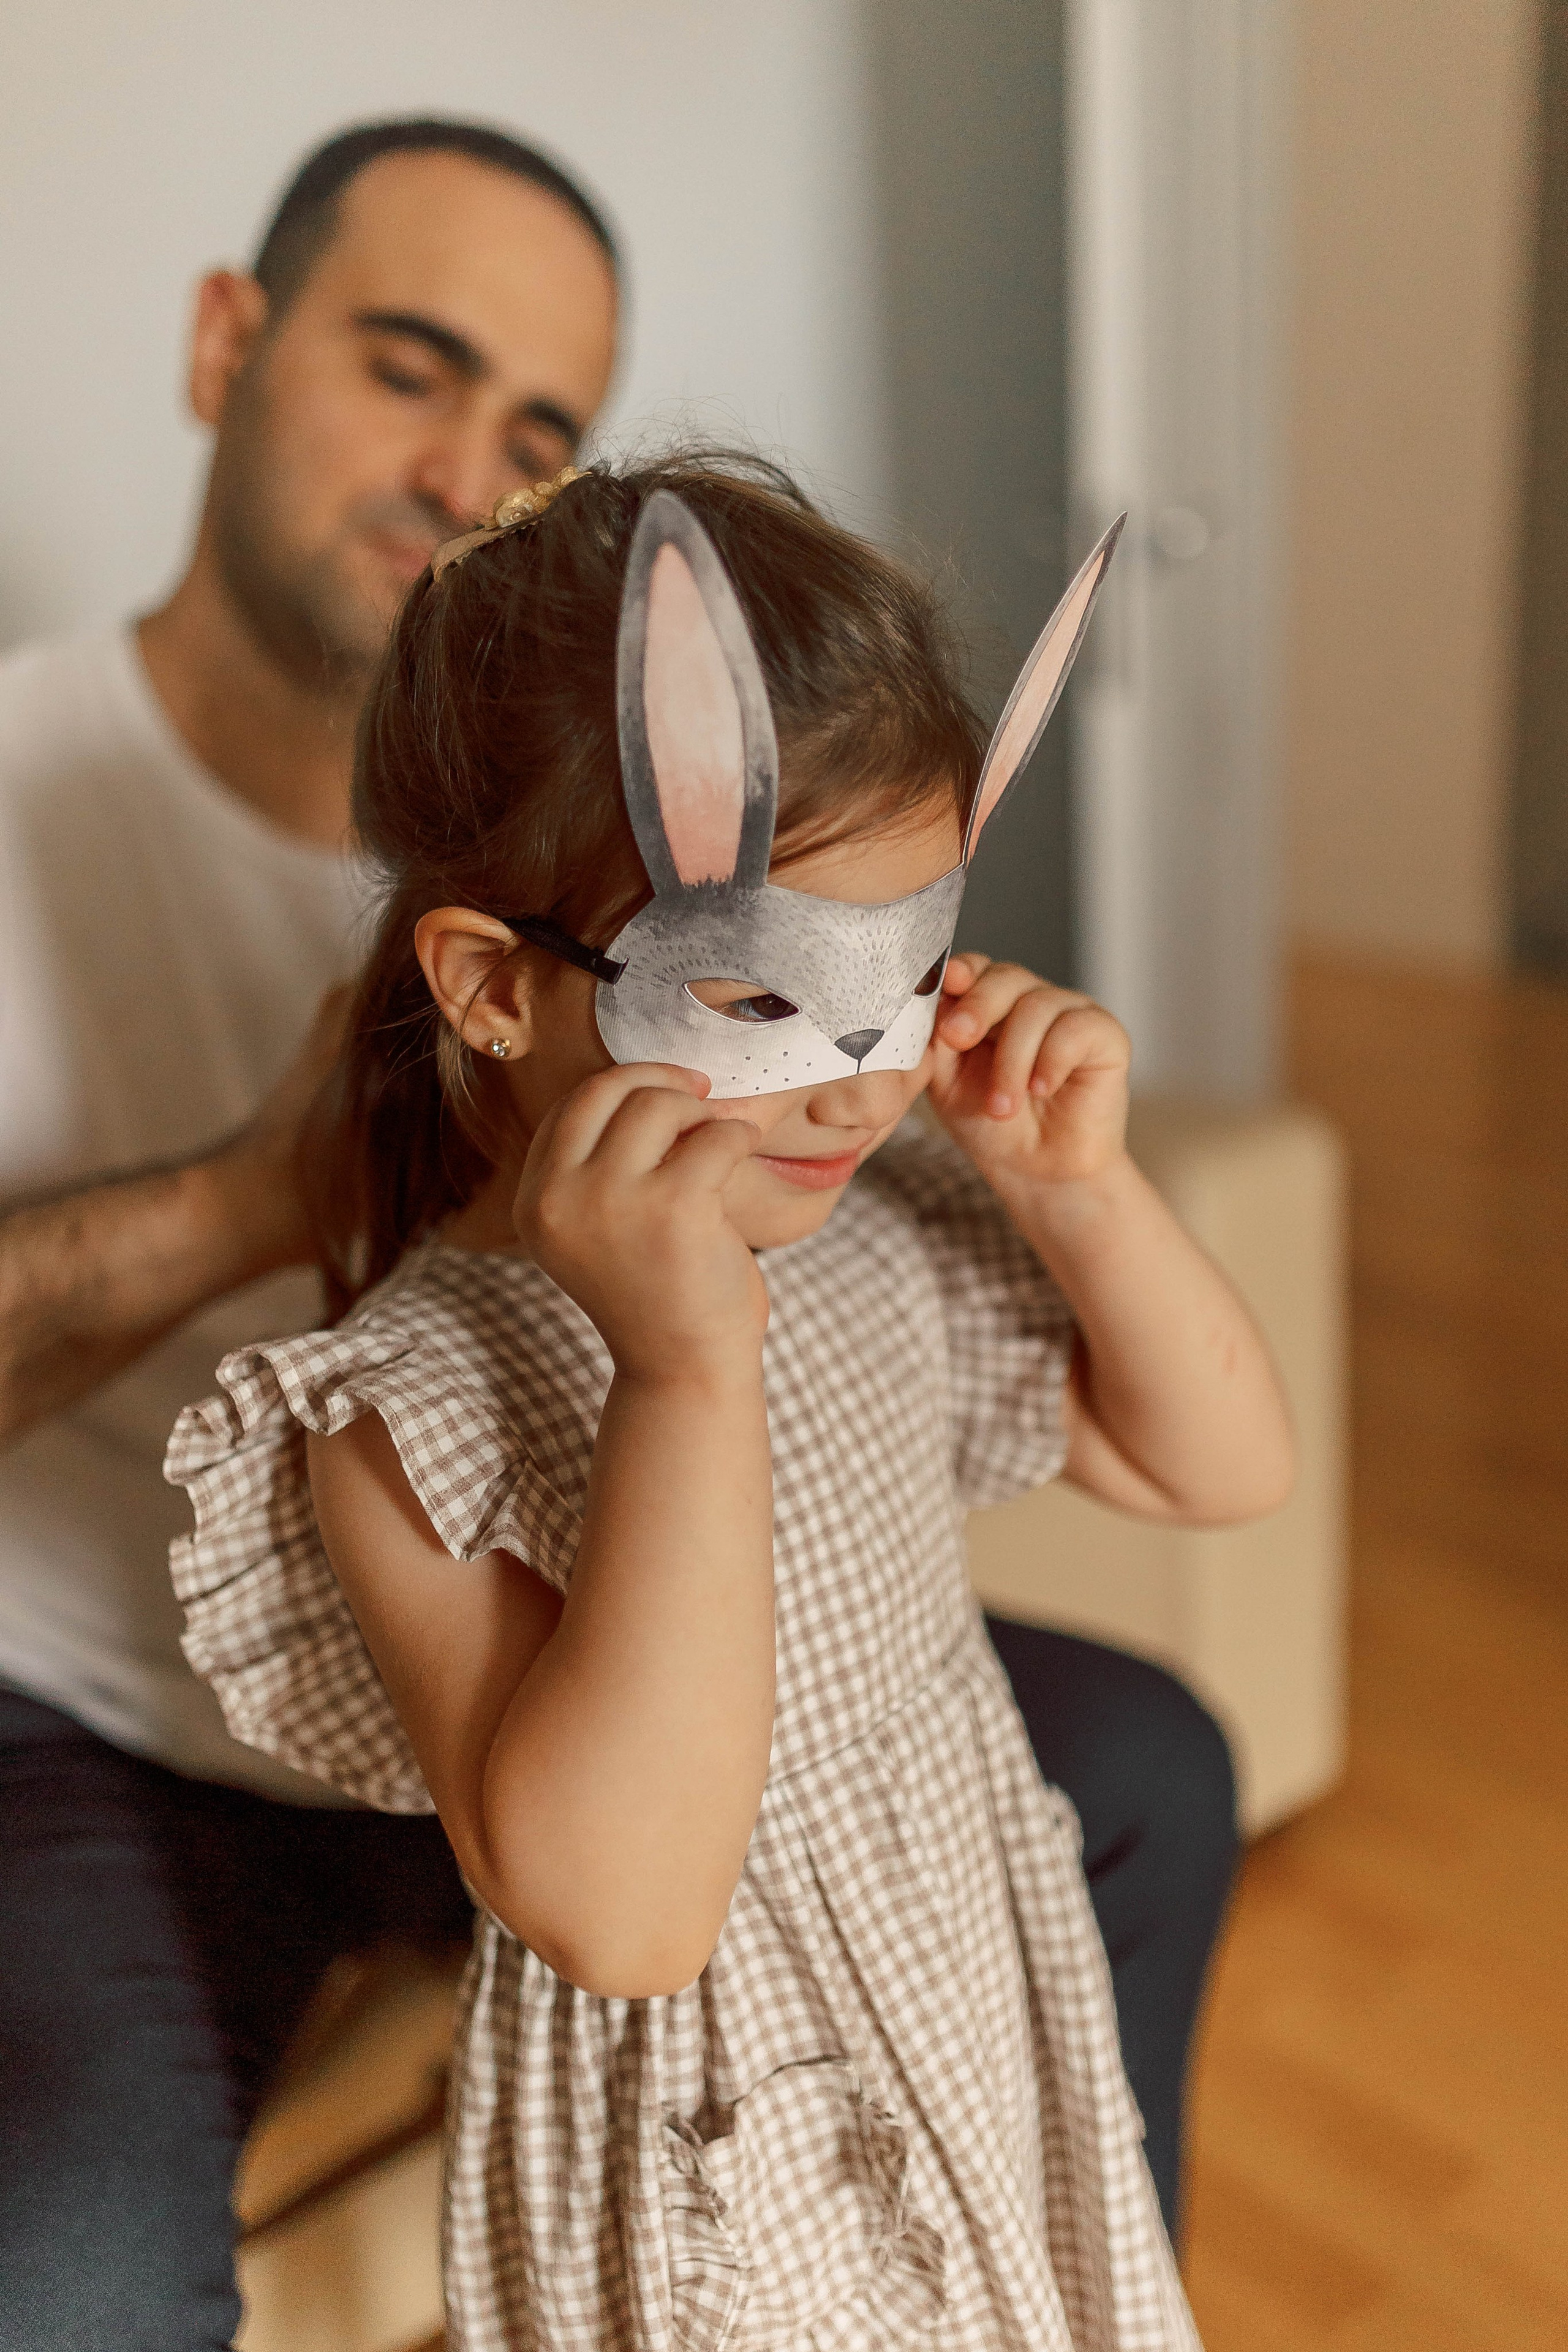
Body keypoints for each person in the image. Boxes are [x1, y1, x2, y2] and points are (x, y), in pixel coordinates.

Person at [0, 118, 1234, 2348]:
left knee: (1149, 1748)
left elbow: (1202, 1456)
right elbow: (624, 1898)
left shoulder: (805, 1170)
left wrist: (1075, 1182)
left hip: (741, 1760)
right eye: (411, 363)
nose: (468, 459)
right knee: (55, 2262)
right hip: (106, 1711)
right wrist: (255, 1206)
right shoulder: (417, 1369)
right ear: (227, 341)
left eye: (543, 429)